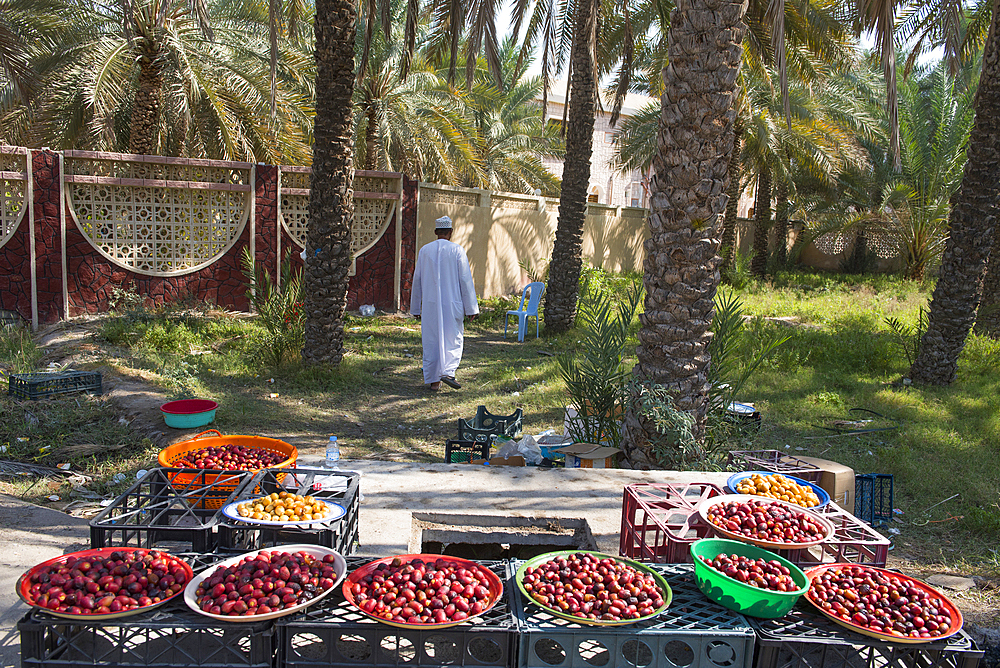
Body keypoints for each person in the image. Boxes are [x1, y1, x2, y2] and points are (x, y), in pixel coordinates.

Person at [410, 216, 479, 390]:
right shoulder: (457, 250)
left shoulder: (424, 251)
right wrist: (471, 308)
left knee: (432, 340)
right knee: (452, 338)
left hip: (430, 305)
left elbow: (416, 280)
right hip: (452, 304)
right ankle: (448, 373)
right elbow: (465, 280)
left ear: (435, 232)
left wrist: (416, 307)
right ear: (450, 232)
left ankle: (435, 382)